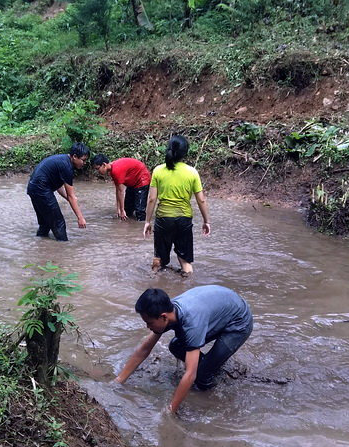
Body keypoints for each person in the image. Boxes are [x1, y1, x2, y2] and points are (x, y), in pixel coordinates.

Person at [115, 285, 253, 414]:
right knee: (176, 346)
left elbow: (190, 374)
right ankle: (210, 366)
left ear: (163, 316)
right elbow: (144, 350)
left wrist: (171, 410)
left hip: (239, 322)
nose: (147, 327)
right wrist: (118, 381)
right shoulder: (168, 311)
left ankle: (211, 390)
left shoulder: (191, 323)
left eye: (149, 323)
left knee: (201, 376)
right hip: (221, 308)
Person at [143, 135, 210, 276]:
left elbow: (152, 199)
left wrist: (147, 222)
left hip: (163, 220)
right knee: (185, 262)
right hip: (183, 220)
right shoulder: (192, 172)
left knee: (158, 259)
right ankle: (187, 289)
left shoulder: (158, 170)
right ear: (185, 152)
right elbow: (201, 200)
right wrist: (206, 221)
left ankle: (155, 288)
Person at [26, 142, 89, 241]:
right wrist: (80, 217)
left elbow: (58, 186)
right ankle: (63, 248)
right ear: (75, 156)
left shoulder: (62, 161)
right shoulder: (67, 167)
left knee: (45, 224)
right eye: (83, 160)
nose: (84, 163)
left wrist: (68, 198)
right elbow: (71, 196)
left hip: (33, 188)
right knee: (59, 223)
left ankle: (40, 246)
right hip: (41, 189)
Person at [91, 154, 151, 221]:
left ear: (104, 165)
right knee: (128, 210)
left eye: (97, 168)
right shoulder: (112, 170)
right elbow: (118, 190)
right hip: (132, 182)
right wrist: (118, 209)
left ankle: (142, 227)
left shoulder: (116, 170)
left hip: (142, 179)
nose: (97, 171)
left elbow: (121, 191)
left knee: (140, 211)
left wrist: (122, 210)